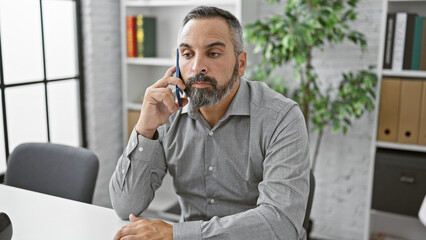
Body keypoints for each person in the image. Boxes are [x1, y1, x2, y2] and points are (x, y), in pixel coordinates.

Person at [110, 5, 310, 240]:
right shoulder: (167, 112)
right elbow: (126, 206)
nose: (197, 67)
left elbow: (281, 224)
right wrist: (145, 128)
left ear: (241, 63)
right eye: (187, 54)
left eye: (213, 53)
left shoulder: (281, 117)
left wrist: (177, 234)